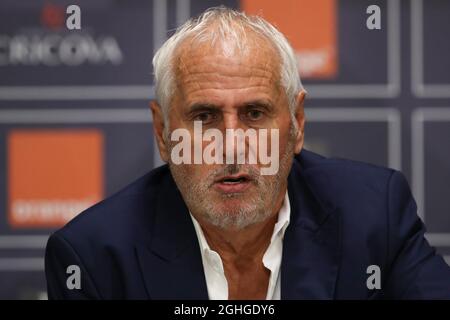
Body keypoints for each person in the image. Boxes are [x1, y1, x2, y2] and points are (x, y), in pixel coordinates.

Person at [45, 7, 450, 299]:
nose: (233, 144)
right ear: (163, 132)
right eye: (204, 116)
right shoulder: (94, 257)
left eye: (255, 113)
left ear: (297, 122)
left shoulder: (374, 215)